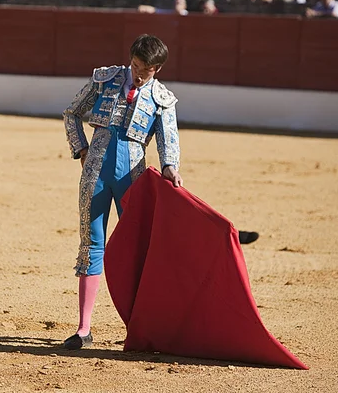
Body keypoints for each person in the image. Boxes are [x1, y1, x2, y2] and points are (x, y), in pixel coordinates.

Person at [61, 34, 259, 350]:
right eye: (135, 65)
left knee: (139, 250)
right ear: (130, 58)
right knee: (91, 244)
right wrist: (80, 147)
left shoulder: (162, 99)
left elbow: (169, 139)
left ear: (158, 69)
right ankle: (84, 328)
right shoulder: (105, 79)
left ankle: (138, 328)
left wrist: (170, 167)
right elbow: (71, 112)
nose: (138, 74)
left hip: (133, 177)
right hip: (94, 172)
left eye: (146, 69)